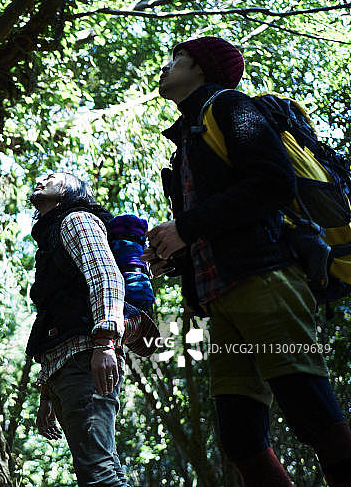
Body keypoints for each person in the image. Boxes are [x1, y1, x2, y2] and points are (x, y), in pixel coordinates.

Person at [144, 35, 351, 486]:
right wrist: (174, 253)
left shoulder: (229, 107)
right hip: (221, 300)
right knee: (241, 440)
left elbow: (273, 185)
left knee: (313, 414)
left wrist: (187, 228)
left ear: (201, 69)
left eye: (176, 59)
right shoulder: (188, 139)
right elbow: (218, 223)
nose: (166, 67)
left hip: (266, 280)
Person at [27, 172, 129, 486]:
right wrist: (47, 393)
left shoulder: (76, 221)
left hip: (86, 360)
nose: (42, 179)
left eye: (53, 177)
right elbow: (54, 318)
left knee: (99, 477)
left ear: (70, 192)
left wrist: (105, 343)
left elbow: (106, 277)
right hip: (66, 369)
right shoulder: (49, 240)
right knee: (100, 473)